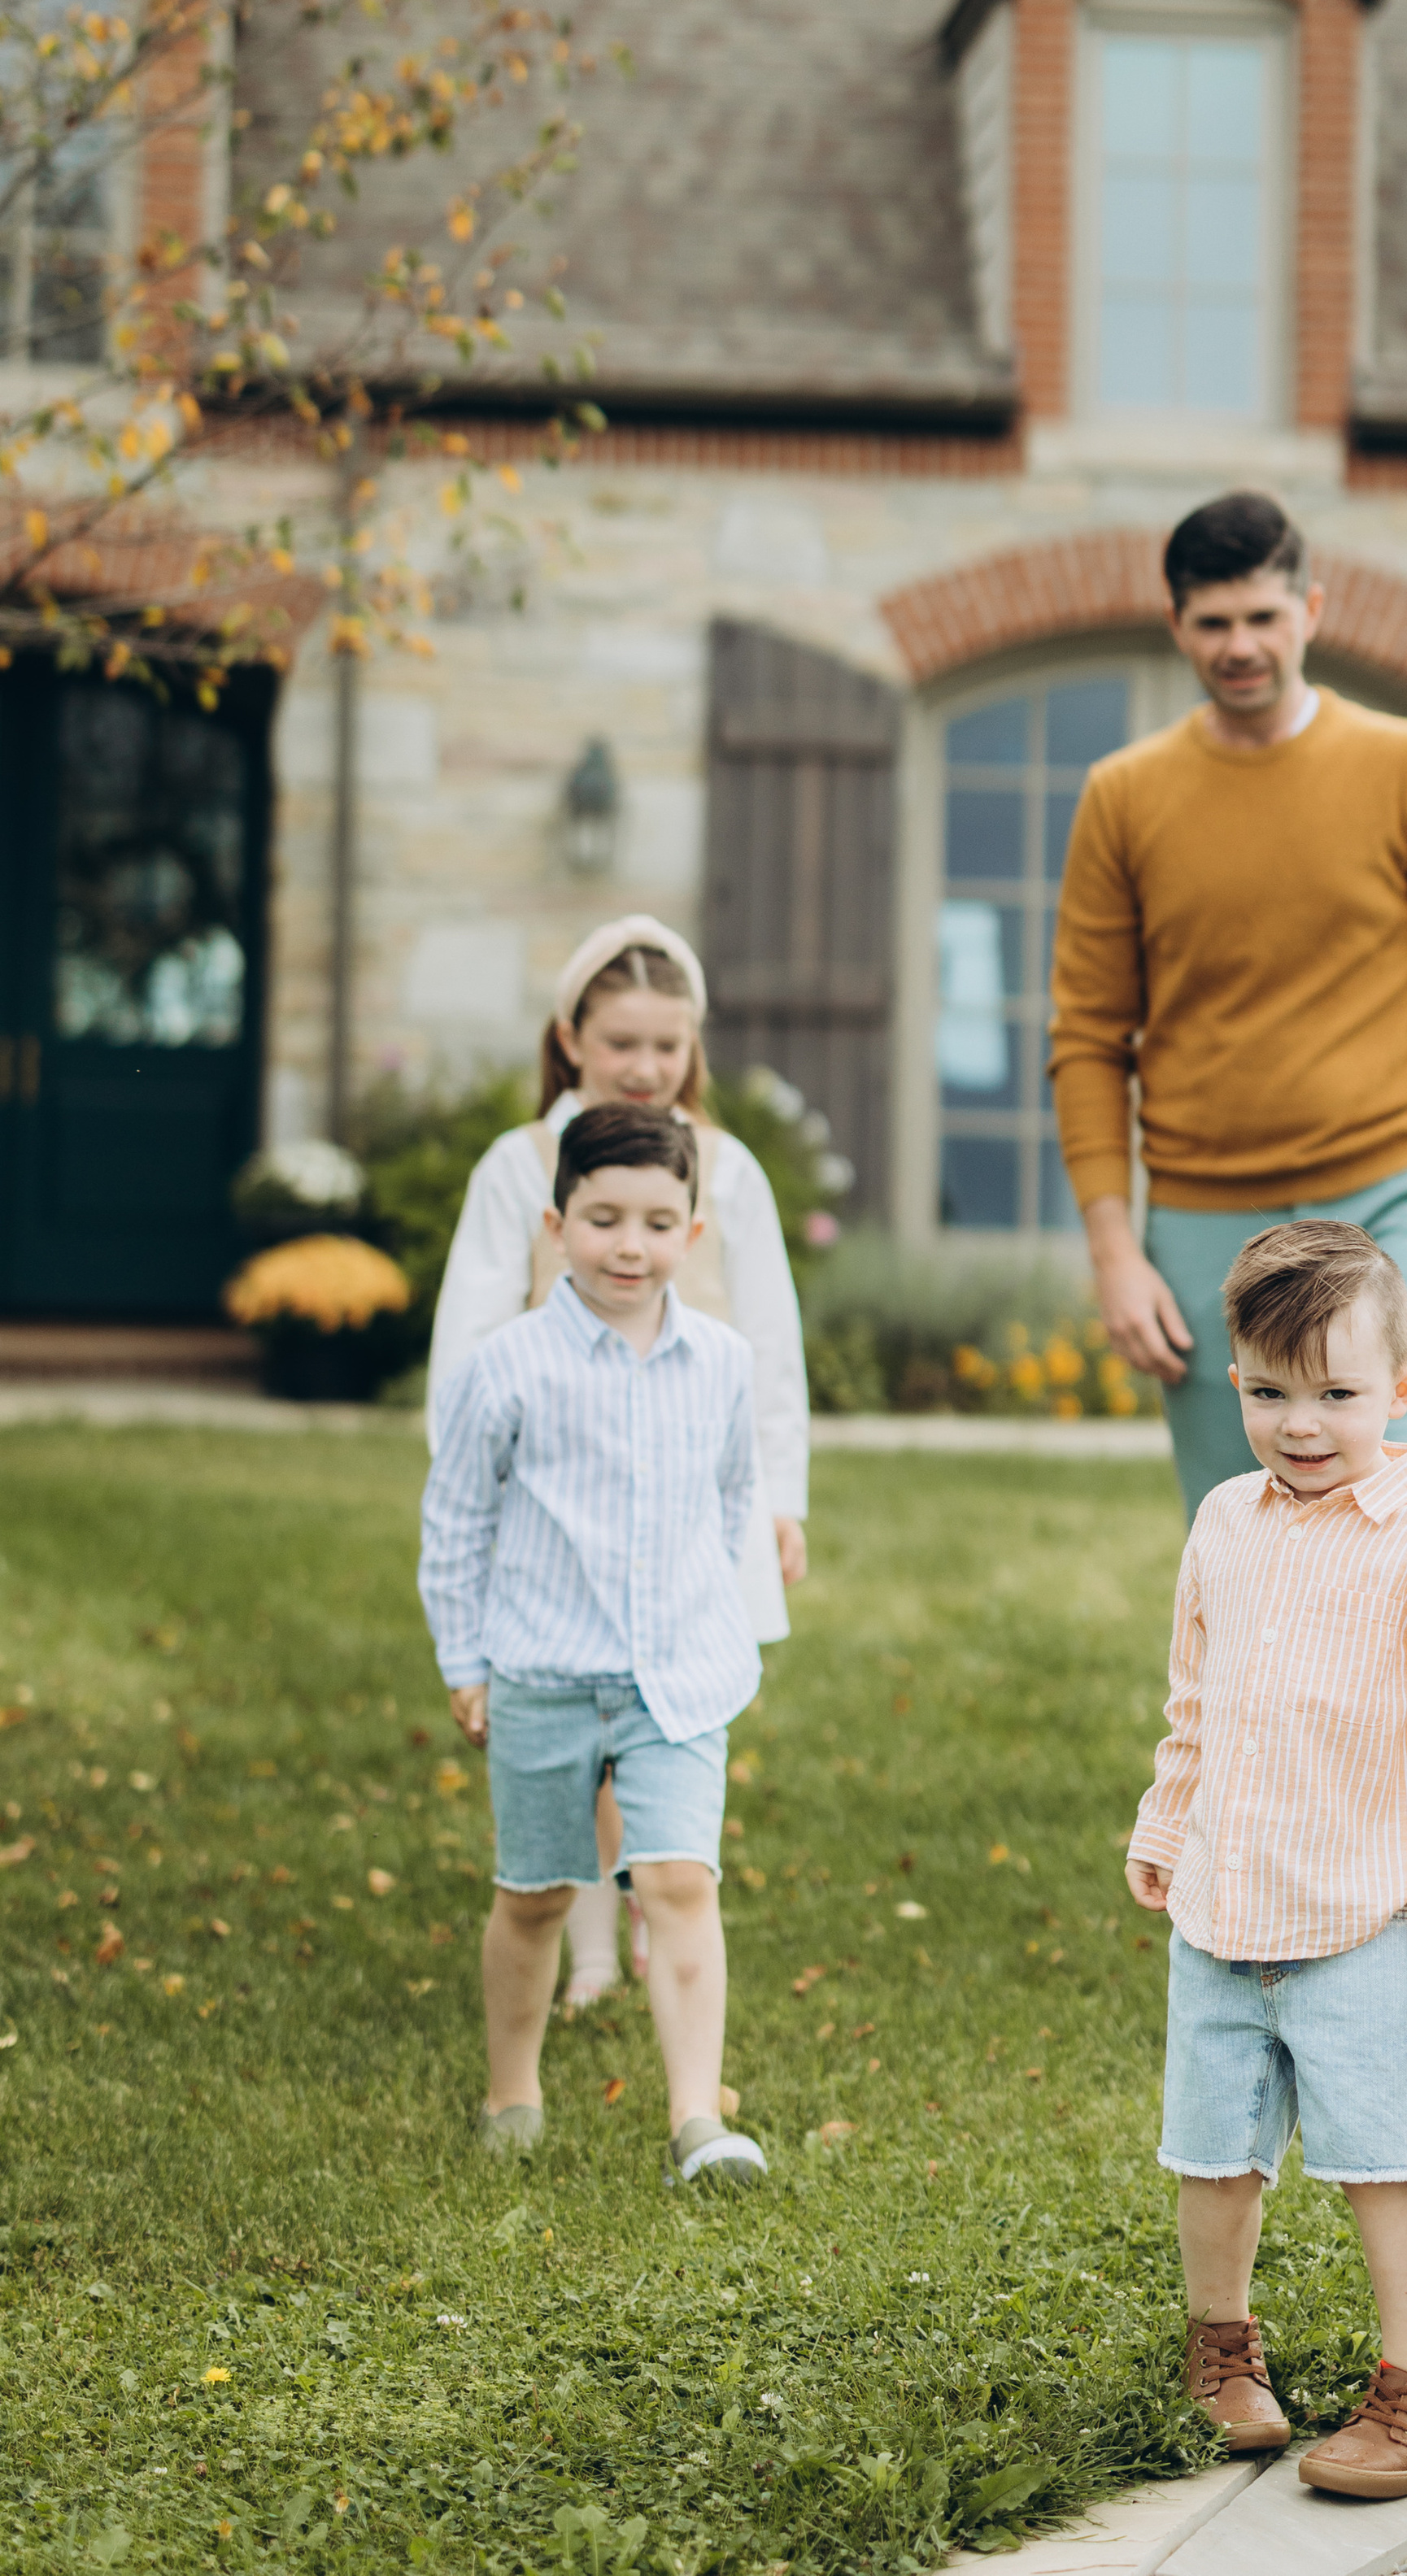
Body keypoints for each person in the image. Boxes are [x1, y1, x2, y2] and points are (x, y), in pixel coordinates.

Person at [1126, 1220, 1407, 2499]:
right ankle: (1221, 2356)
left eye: (1338, 1395)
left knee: (1385, 2160)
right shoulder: (1224, 1523)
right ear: (1233, 1383)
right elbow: (1199, 1699)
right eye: (1270, 1392)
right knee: (1213, 2151)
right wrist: (1165, 1818)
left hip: (1367, 1919)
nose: (1302, 1423)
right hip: (1225, 1910)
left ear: (1403, 1392)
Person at [1050, 488, 1407, 1524]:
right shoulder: (1123, 795)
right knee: (1242, 1527)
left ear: (1311, 610)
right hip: (1199, 1218)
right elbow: (1089, 1040)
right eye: (1215, 621)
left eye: (1263, 616)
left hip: (1390, 1195)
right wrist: (1113, 1253)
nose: (1241, 645)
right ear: (1177, 624)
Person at [429, 913, 809, 2010]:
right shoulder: (519, 1166)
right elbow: (467, 1341)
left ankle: (662, 1908)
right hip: (559, 1494)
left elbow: (771, 1346)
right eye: (622, 1043)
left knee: (665, 1711)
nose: (646, 1068)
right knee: (577, 1729)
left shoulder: (727, 1170)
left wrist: (780, 1494)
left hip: (688, 1497)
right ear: (571, 1038)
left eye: (668, 1047)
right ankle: (587, 1945)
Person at [420, 1100, 769, 2187]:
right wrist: (464, 1660)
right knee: (532, 1893)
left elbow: (730, 1502)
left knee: (678, 1884)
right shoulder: (509, 1367)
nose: (631, 1244)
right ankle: (512, 2090)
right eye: (604, 1216)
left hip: (675, 1681)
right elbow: (458, 1518)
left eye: (659, 1222)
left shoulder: (720, 1364)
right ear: (555, 1223)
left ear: (692, 1236)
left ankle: (693, 2121)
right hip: (542, 1673)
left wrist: (713, 1621)